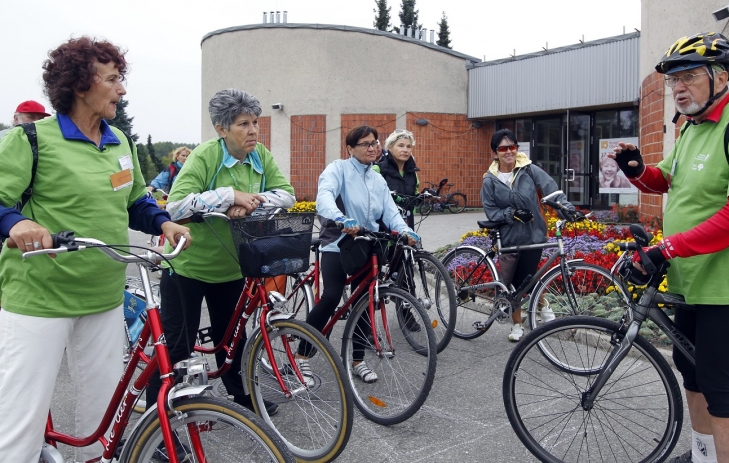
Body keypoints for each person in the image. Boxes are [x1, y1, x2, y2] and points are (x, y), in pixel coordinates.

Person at [0, 37, 191, 463]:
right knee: (19, 431)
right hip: (39, 299)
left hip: (103, 297)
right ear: (81, 85)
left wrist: (163, 222)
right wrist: (18, 223)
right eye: (113, 79)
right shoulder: (31, 139)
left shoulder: (118, 141)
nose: (122, 90)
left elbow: (135, 200)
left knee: (104, 420)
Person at [609, 32, 729, 463]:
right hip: (690, 272)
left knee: (719, 383)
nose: (678, 88)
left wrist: (666, 249)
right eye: (673, 81)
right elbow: (667, 178)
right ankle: (704, 454)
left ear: (719, 77)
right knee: (690, 368)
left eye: (688, 77)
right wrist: (638, 171)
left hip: (725, 277)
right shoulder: (692, 126)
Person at [144, 89, 295, 425]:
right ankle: (157, 420)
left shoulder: (261, 157)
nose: (254, 130)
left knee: (233, 341)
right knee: (177, 348)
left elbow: (286, 195)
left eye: (255, 122)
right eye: (244, 124)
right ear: (222, 129)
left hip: (231, 266)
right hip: (188, 266)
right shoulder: (205, 157)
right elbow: (176, 206)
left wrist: (251, 200)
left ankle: (242, 397)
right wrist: (227, 196)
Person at [305, 125, 420, 383]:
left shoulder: (377, 179)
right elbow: (323, 198)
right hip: (338, 242)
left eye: (375, 143)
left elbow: (390, 212)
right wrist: (340, 218)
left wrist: (404, 231)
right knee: (332, 296)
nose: (372, 148)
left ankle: (357, 360)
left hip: (367, 246)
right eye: (366, 144)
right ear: (350, 148)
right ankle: (301, 357)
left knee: (365, 303)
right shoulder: (338, 170)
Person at [481, 128, 578, 342]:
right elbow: (491, 210)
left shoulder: (529, 170)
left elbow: (552, 191)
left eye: (512, 147)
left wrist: (568, 209)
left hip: (533, 235)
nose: (509, 151)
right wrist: (512, 214)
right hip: (508, 238)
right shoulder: (490, 180)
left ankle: (543, 308)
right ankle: (517, 324)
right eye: (503, 148)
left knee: (529, 277)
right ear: (495, 153)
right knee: (514, 283)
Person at [373, 129, 420, 228]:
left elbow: (414, 199)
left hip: (407, 224)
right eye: (400, 146)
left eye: (409, 146)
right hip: (384, 227)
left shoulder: (412, 173)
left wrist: (425, 196)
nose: (405, 150)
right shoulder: (377, 170)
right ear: (390, 147)